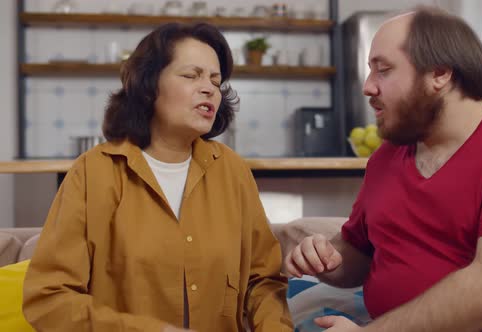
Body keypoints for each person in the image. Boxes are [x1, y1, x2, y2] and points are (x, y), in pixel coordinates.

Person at [285, 6, 482, 332]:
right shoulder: (387, 157)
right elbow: (359, 255)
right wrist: (324, 257)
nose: (368, 87)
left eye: (383, 70)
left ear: (440, 74)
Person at [22, 22, 292, 332]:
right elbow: (49, 298)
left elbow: (264, 282)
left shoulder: (232, 171)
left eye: (216, 81)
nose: (209, 88)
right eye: (191, 76)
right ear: (149, 85)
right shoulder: (93, 172)